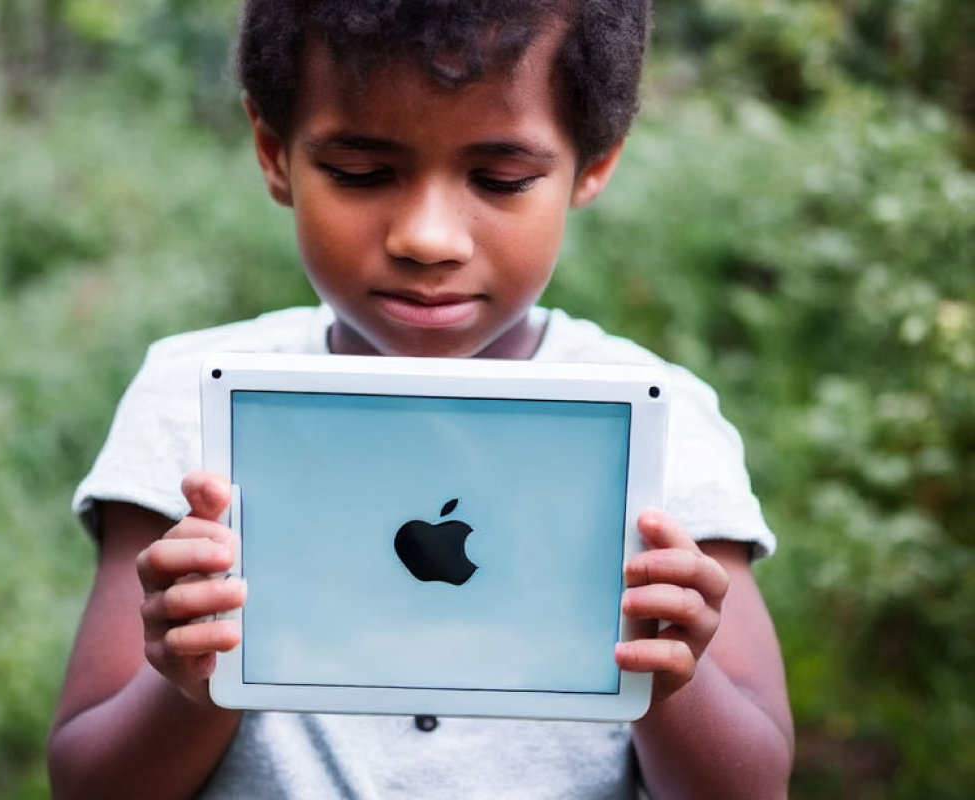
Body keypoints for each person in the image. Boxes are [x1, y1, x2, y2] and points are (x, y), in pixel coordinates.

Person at [47, 1, 794, 798]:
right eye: (362, 173)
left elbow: (753, 785)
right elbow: (88, 781)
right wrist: (191, 683)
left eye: (500, 179)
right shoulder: (189, 404)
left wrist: (671, 679)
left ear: (594, 162)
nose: (428, 237)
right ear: (274, 154)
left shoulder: (662, 429)